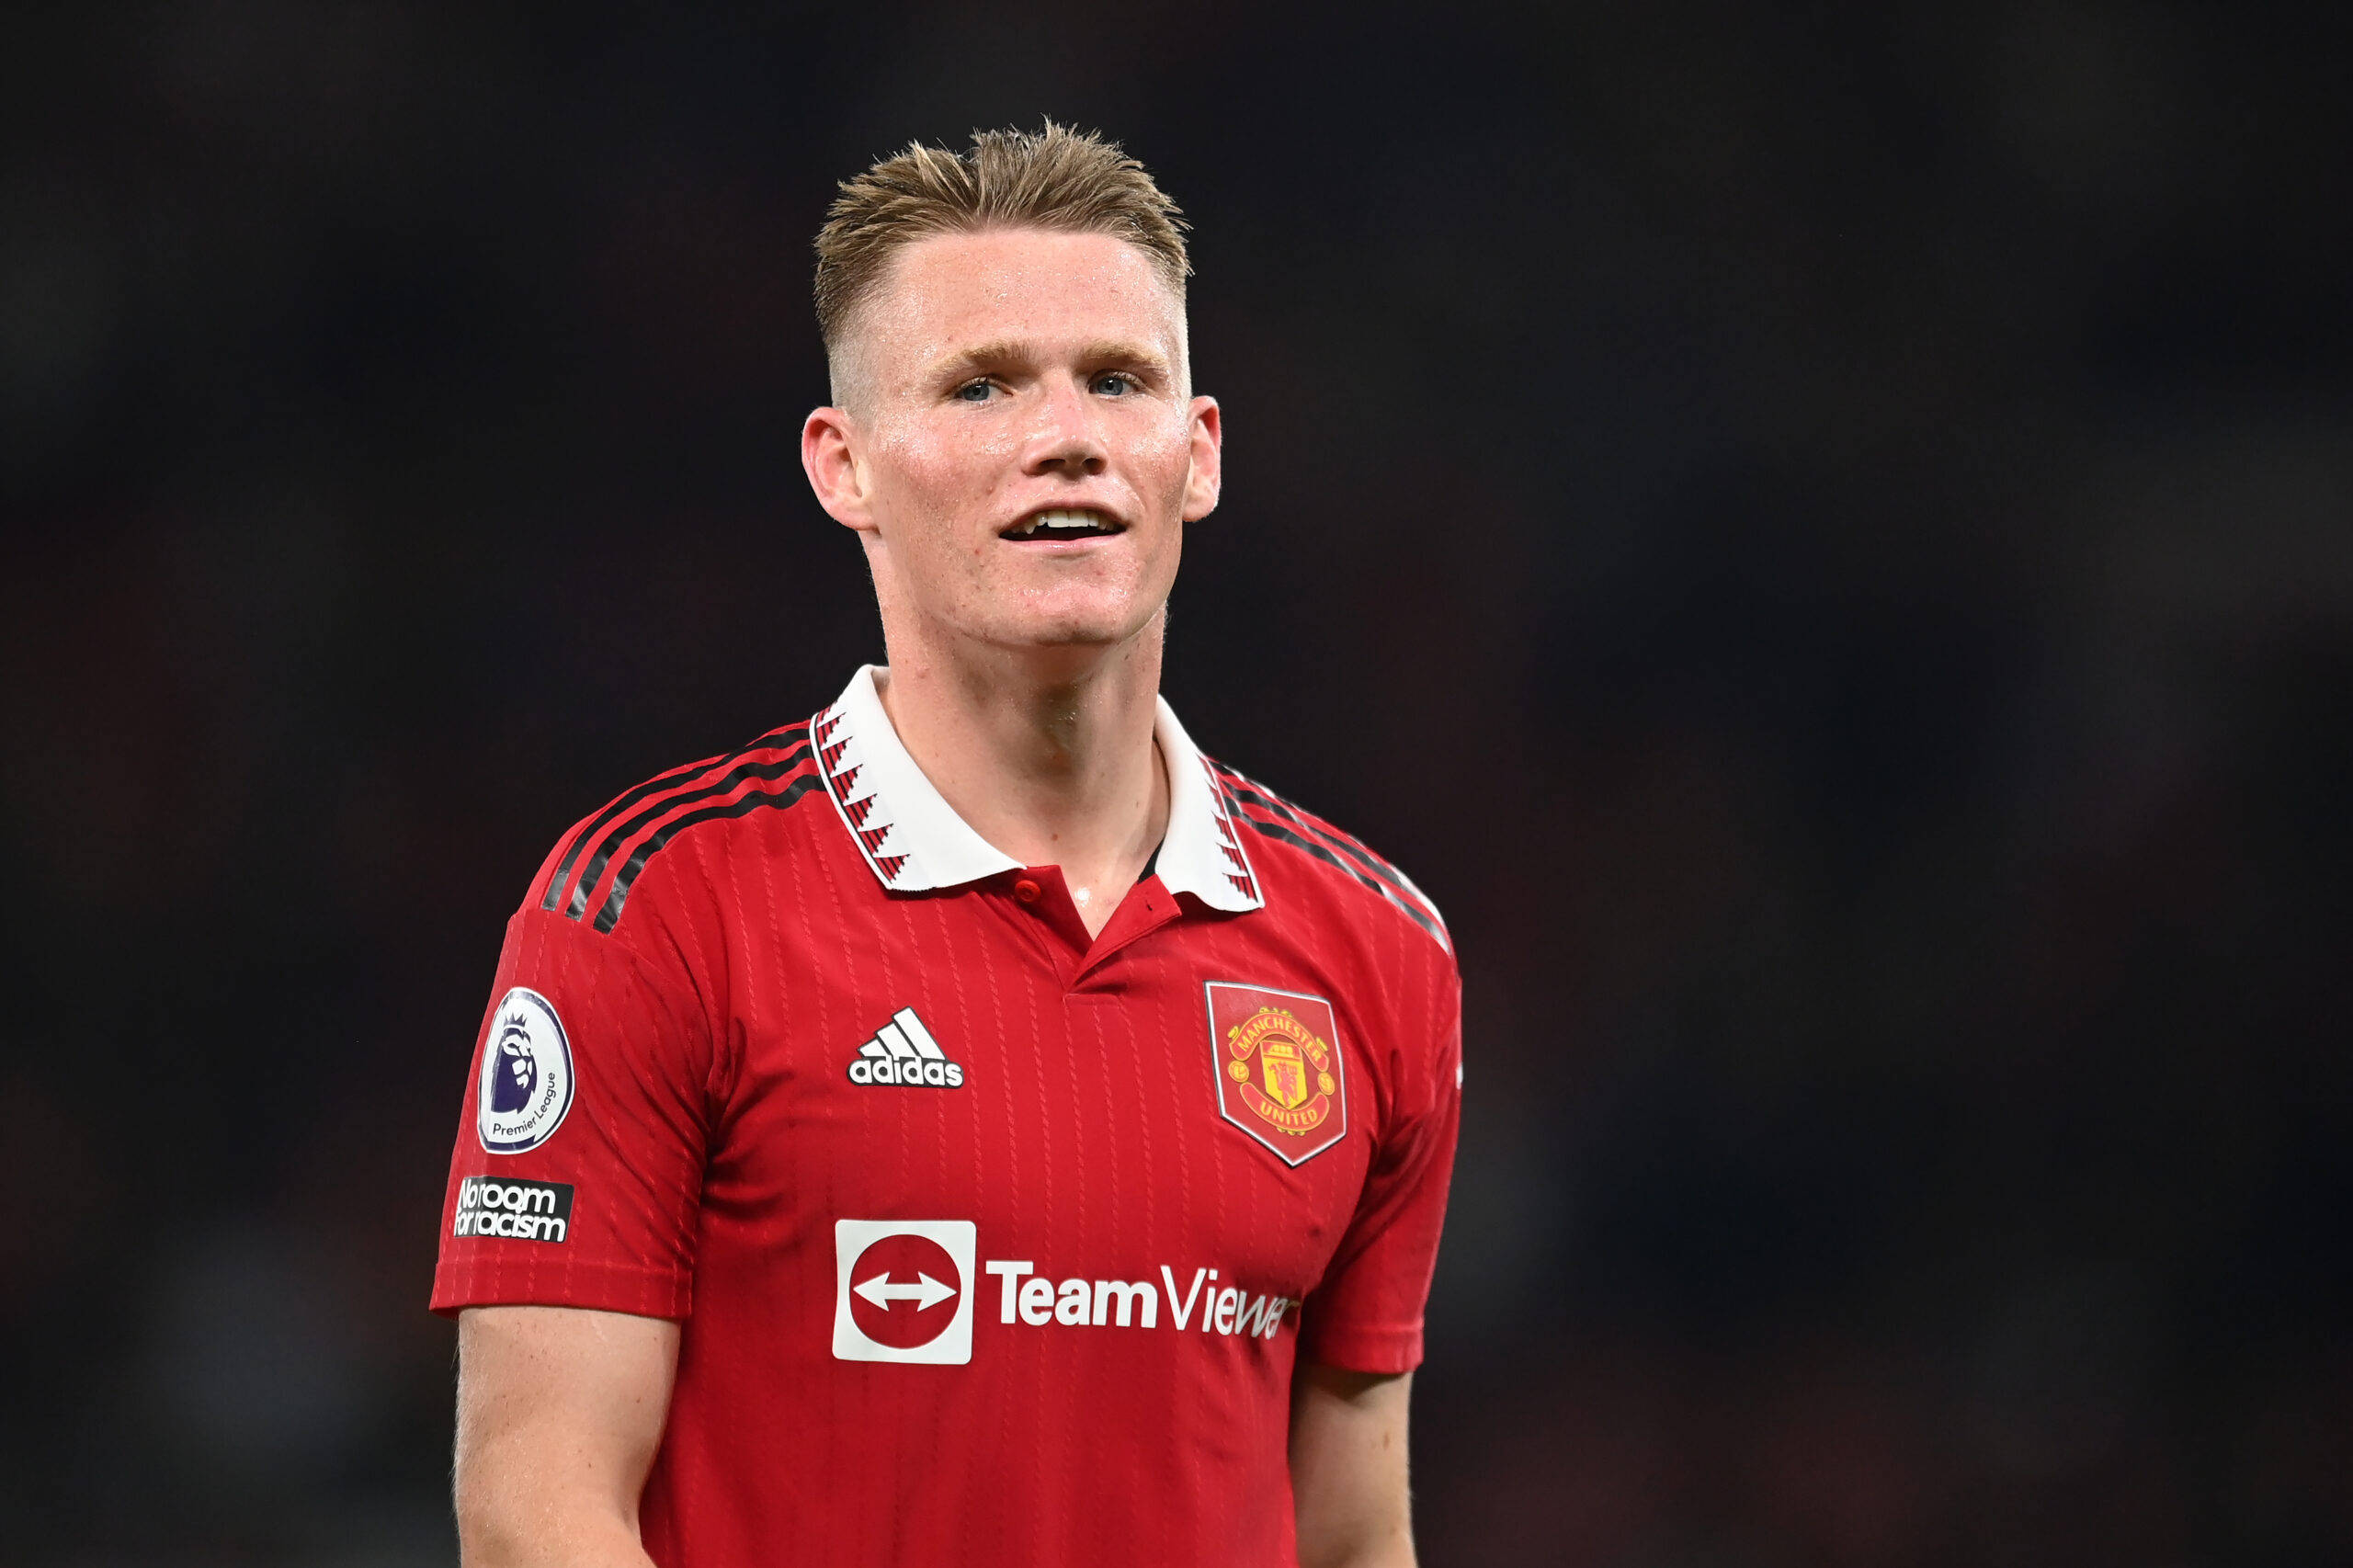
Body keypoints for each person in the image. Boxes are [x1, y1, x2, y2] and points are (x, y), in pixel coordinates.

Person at [433, 123, 1461, 1568]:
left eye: (1119, 379)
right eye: (982, 385)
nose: (1066, 433)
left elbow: (1353, 1536)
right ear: (843, 465)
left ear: (1199, 452)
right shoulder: (652, 908)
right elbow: (535, 1513)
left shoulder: (1378, 950)